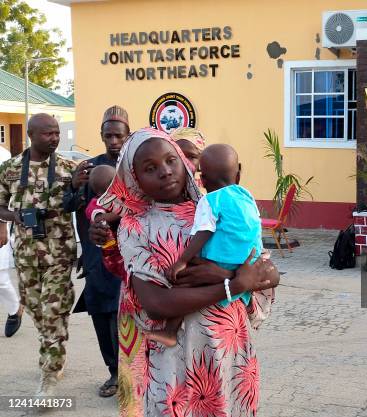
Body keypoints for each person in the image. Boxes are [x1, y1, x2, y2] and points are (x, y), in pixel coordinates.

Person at [95, 128, 278, 416]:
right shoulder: (137, 226)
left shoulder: (214, 205)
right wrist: (232, 285)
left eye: (171, 160)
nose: (165, 172)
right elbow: (156, 304)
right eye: (150, 168)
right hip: (176, 358)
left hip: (228, 348)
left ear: (185, 161)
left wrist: (229, 277)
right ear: (134, 179)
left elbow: (266, 272)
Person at [152, 144, 262, 347]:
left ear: (202, 180)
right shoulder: (246, 195)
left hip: (219, 261)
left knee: (185, 283)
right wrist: (253, 259)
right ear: (238, 175)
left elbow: (204, 231)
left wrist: (183, 260)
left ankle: (169, 331)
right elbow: (256, 225)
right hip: (248, 262)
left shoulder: (210, 200)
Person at [0, 113, 77, 396]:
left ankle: (49, 376)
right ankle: (54, 347)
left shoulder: (69, 169)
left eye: (57, 133)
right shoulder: (9, 169)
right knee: (37, 310)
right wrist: (14, 216)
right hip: (26, 254)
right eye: (48, 134)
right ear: (31, 134)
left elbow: (84, 204)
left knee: (53, 310)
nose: (55, 138)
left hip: (59, 252)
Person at [62, 105, 130, 397]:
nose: (113, 142)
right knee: (101, 317)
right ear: (101, 136)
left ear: (128, 135)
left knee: (123, 318)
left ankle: (132, 377)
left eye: (118, 136)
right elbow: (70, 207)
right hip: (97, 255)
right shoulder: (90, 168)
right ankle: (113, 373)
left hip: (130, 255)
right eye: (108, 136)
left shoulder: (137, 166)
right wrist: (76, 187)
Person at [0, 144, 23, 338]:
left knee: (0, 278)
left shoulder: (2, 155)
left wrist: (1, 226)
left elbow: (3, 196)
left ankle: (15, 309)